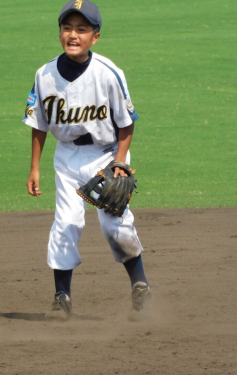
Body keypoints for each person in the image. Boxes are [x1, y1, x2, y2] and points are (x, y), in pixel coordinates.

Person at [23, 0, 151, 321]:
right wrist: (35, 167)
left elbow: (126, 122)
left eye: (82, 29)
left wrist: (120, 161)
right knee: (66, 224)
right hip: (66, 156)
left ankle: (140, 287)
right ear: (60, 33)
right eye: (67, 28)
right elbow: (38, 123)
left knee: (115, 227)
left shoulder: (109, 73)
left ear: (96, 36)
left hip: (106, 154)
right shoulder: (44, 74)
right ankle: (61, 298)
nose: (73, 35)